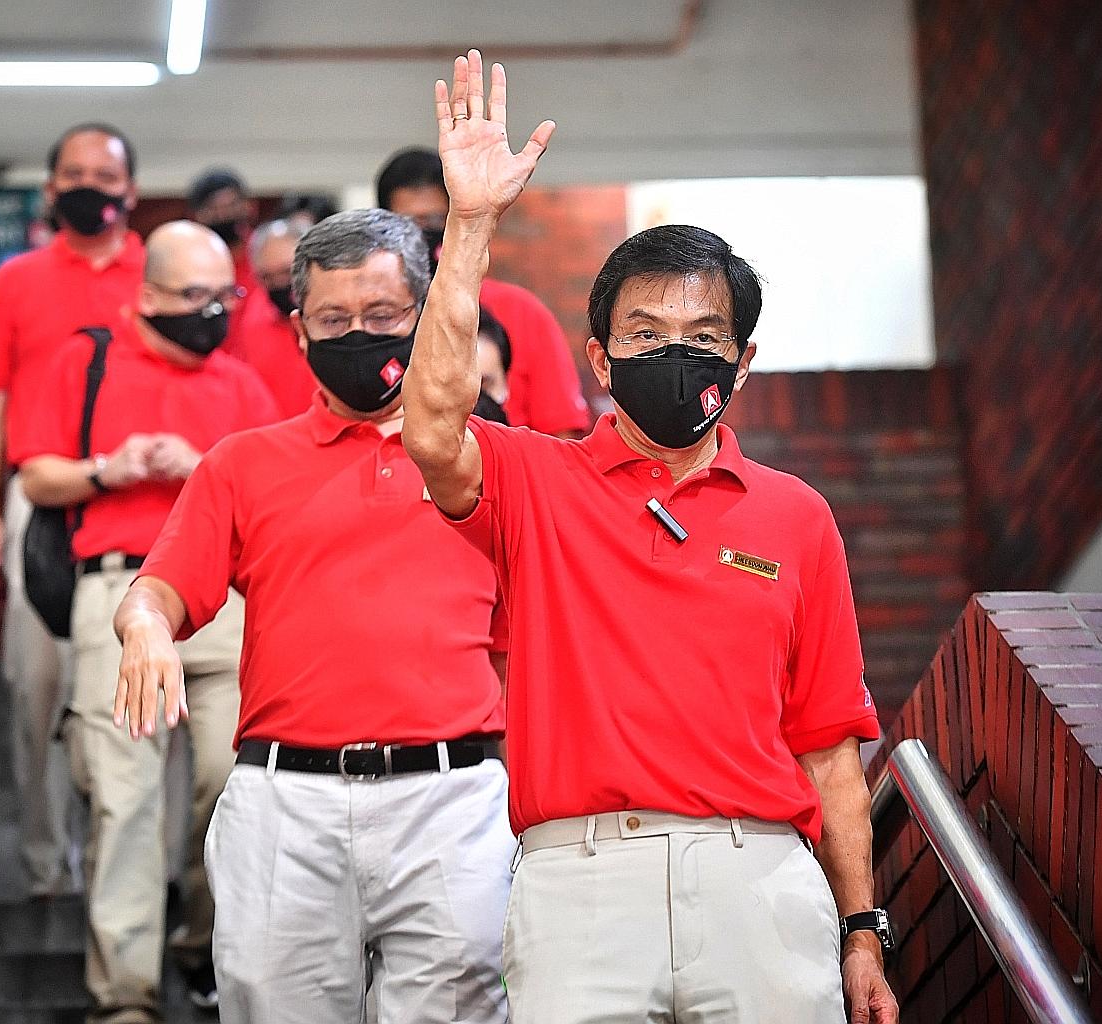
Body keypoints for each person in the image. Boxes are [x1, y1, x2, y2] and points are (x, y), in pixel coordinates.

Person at [402, 51, 901, 1023]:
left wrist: (861, 926)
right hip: (581, 886)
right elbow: (429, 428)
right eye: (644, 333)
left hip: (760, 881)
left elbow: (830, 749)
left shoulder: (795, 514)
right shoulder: (535, 479)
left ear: (744, 361)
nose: (676, 354)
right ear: (598, 355)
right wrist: (468, 226)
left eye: (703, 336)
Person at [112, 209, 514, 1024]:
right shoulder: (241, 464)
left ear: (425, 315)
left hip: (453, 799)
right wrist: (146, 626)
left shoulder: (495, 459)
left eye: (382, 316)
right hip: (282, 804)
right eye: (334, 320)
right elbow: (158, 588)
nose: (357, 335)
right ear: (299, 330)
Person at [16, 221, 279, 1023]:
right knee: (123, 799)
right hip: (116, 592)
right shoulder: (84, 361)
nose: (212, 313)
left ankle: (202, 943)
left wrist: (203, 467)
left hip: (226, 602)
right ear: (151, 295)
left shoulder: (239, 383)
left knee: (229, 784)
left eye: (223, 297)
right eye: (194, 297)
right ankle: (123, 995)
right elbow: (37, 475)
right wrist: (110, 467)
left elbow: (276, 493)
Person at [0, 122, 144, 900]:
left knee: (130, 690)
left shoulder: (160, 272)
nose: (89, 188)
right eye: (73, 173)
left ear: (130, 191)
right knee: (35, 685)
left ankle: (130, 869)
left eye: (105, 176)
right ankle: (45, 865)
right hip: (37, 497)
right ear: (48, 189)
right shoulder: (17, 280)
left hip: (139, 498)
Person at [376, 146, 590, 438]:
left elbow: (561, 435)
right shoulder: (372, 319)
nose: (423, 234)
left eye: (436, 221)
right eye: (409, 225)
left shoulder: (521, 312)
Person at [223, 216, 315, 417]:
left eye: (286, 272)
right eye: (267, 277)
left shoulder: (343, 315)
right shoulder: (250, 324)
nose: (280, 284)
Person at [188, 167, 259, 296]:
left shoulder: (264, 251)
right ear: (196, 216)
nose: (224, 215)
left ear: (249, 206)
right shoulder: (188, 261)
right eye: (214, 209)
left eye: (232, 206)